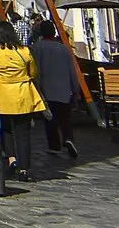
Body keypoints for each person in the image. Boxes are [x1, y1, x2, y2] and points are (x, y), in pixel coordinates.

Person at [0, 20, 48, 180]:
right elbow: (34, 72)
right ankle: (24, 169)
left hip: (3, 96)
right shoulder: (24, 51)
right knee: (23, 133)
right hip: (23, 95)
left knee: (6, 130)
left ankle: (11, 159)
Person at [30, 18, 82, 159]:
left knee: (50, 119)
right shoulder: (64, 48)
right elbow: (72, 70)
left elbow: (35, 70)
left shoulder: (37, 48)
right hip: (64, 88)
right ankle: (68, 138)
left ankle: (54, 146)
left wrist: (36, 88)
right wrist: (75, 89)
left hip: (47, 88)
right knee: (65, 118)